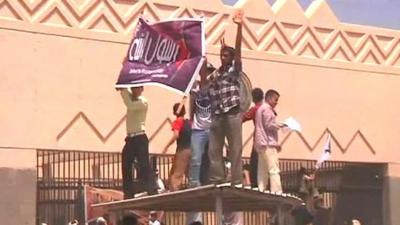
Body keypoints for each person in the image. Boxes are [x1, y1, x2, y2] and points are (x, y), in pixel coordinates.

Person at [207, 10, 244, 186]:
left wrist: (240, 27)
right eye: (221, 55)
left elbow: (238, 51)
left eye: (226, 55)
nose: (223, 57)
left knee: (235, 148)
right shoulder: (216, 74)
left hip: (232, 113)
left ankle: (236, 180)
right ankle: (218, 179)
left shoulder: (234, 71)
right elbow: (204, 85)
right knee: (214, 149)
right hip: (218, 115)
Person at [186, 62, 215, 225]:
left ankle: (211, 181)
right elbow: (192, 106)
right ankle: (193, 184)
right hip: (198, 129)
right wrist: (191, 121)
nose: (208, 75)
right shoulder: (195, 89)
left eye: (210, 72)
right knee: (196, 159)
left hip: (211, 129)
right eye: (206, 72)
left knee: (212, 158)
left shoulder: (214, 89)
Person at [118, 87, 157, 199]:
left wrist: (123, 90)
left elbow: (130, 105)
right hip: (130, 139)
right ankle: (128, 193)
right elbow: (129, 99)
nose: (135, 90)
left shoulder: (143, 102)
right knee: (126, 163)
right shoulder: (131, 97)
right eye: (133, 88)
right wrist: (124, 88)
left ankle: (152, 190)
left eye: (137, 88)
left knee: (144, 165)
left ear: (141, 90)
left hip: (140, 137)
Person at [254, 89, 286, 193]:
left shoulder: (260, 109)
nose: (276, 102)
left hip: (260, 143)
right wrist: (282, 125)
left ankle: (261, 188)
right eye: (275, 100)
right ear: (269, 98)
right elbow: (269, 124)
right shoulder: (267, 109)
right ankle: (276, 191)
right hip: (268, 143)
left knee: (262, 169)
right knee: (274, 169)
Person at [162, 103, 191, 191]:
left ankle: (174, 194)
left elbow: (176, 135)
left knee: (176, 175)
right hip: (192, 148)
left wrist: (166, 146)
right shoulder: (189, 122)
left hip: (182, 149)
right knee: (189, 173)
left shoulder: (178, 121)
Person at [242, 88, 264, 188]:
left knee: (255, 162)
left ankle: (255, 183)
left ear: (253, 98)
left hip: (258, 140)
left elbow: (243, 118)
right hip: (267, 141)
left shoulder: (255, 109)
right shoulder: (266, 108)